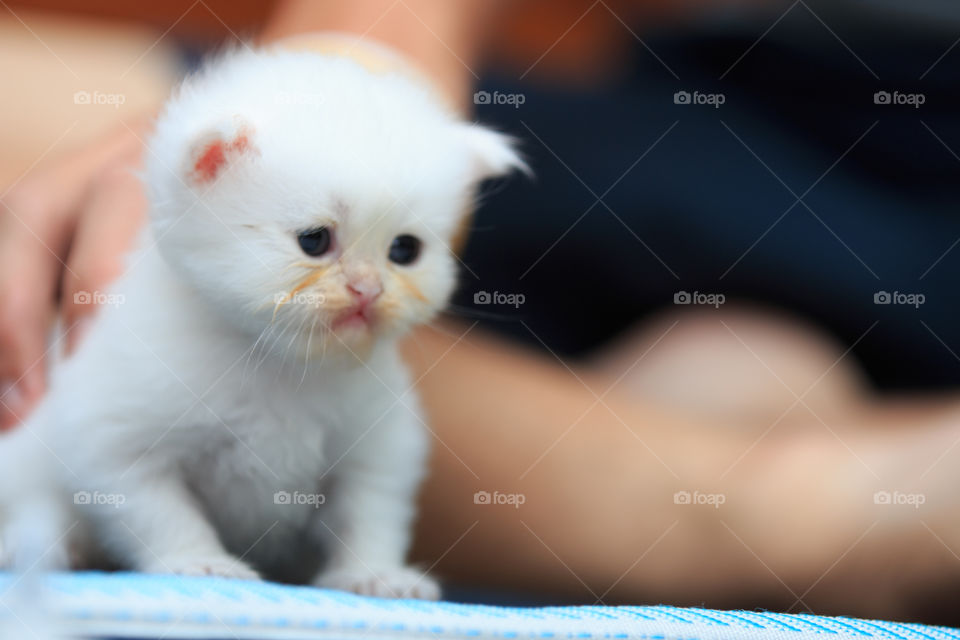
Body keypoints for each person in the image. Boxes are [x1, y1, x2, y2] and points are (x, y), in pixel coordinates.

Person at [2, 0, 960, 623]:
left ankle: (782, 505)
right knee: (39, 142)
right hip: (724, 102)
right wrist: (361, 58)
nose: (367, 284)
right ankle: (762, 492)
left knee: (756, 372)